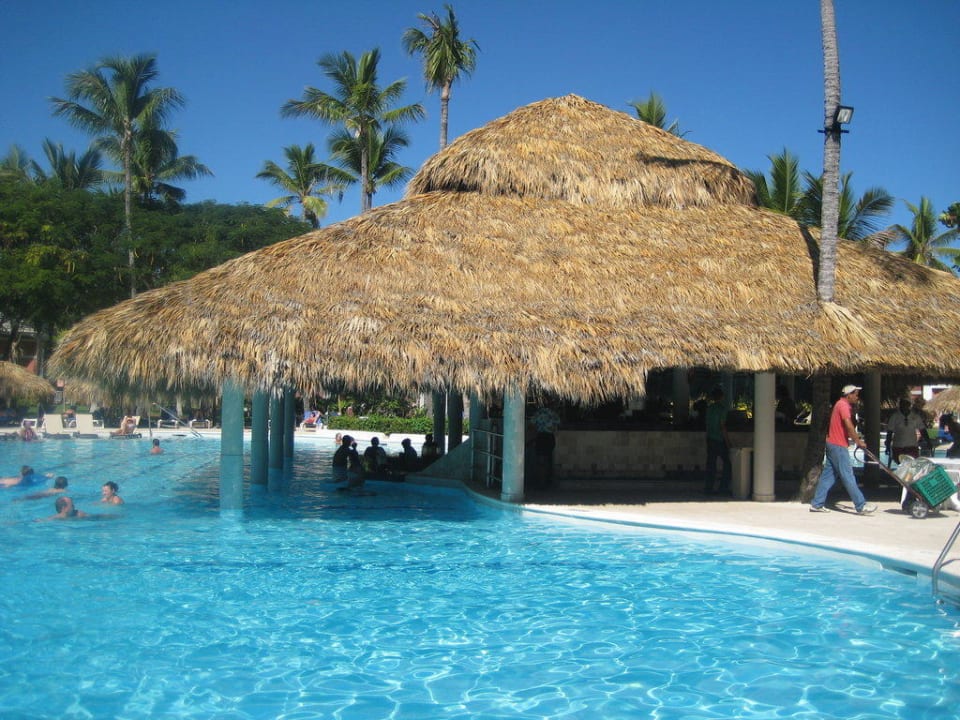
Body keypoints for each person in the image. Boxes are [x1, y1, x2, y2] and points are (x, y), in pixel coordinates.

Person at [810, 385, 877, 514]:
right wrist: (858, 441)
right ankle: (861, 505)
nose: (857, 397)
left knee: (828, 476)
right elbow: (848, 425)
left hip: (832, 444)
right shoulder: (843, 406)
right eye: (856, 394)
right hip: (838, 446)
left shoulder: (840, 404)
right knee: (848, 476)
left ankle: (817, 504)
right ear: (849, 395)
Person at [703, 386, 732, 495]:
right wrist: (728, 442)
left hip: (710, 439)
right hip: (719, 440)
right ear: (722, 397)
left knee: (711, 464)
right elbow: (722, 426)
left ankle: (708, 488)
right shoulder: (722, 409)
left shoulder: (709, 409)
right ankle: (723, 488)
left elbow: (707, 425)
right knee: (727, 464)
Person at [885, 398, 926, 464]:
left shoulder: (915, 416)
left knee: (911, 465)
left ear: (909, 405)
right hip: (898, 447)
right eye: (902, 405)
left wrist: (928, 441)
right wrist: (887, 446)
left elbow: (922, 430)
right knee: (900, 465)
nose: (904, 407)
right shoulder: (895, 417)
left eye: (906, 405)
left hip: (912, 447)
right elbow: (889, 432)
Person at [530, 405, 562, 489]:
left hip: (541, 437)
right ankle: (547, 480)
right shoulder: (553, 413)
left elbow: (531, 425)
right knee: (548, 459)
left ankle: (541, 481)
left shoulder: (539, 413)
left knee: (541, 461)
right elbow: (558, 424)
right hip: (550, 437)